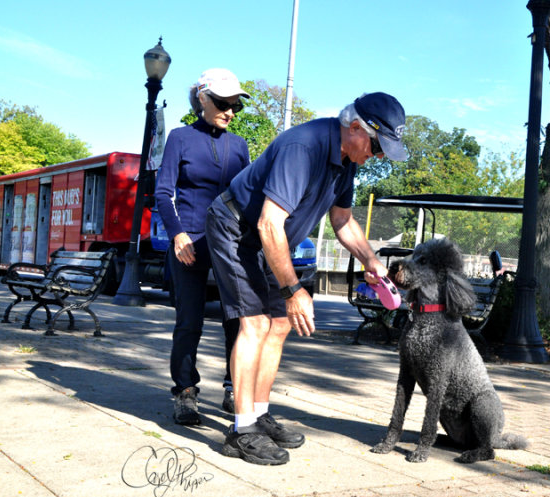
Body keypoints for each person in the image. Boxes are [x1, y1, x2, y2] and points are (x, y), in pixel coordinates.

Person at [205, 92, 408, 466]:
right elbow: (269, 223)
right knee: (253, 324)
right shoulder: (304, 147)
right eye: (378, 146)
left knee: (279, 325)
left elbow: (343, 219)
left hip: (268, 238)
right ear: (355, 127)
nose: (378, 156)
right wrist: (294, 289)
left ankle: (259, 413)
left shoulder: (347, 162)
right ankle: (241, 430)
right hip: (237, 230)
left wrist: (371, 260)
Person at [154, 68, 251, 425]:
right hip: (189, 242)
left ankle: (233, 387)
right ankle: (185, 391)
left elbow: (247, 195)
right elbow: (164, 193)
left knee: (237, 321)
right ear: (202, 99)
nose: (230, 111)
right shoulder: (180, 138)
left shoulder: (239, 145)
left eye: (236, 106)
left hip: (230, 244)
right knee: (189, 321)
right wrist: (177, 234)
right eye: (223, 104)